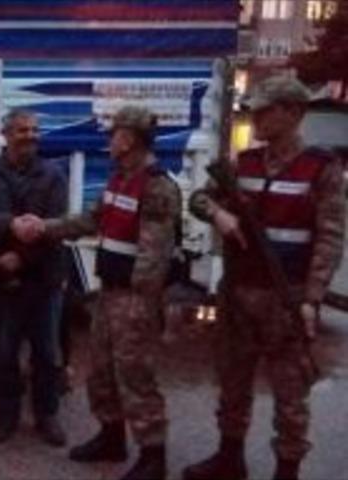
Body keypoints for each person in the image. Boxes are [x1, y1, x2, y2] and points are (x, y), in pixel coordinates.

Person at [182, 76, 345, 480]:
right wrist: (219, 213)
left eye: (265, 110)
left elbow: (330, 238)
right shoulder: (245, 163)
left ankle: (286, 469)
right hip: (238, 293)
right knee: (233, 382)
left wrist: (311, 299)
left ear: (293, 113)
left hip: (285, 296)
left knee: (291, 394)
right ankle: (229, 458)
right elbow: (199, 198)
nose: (255, 116)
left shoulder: (320, 168)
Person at [41, 105, 180, 480]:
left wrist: (141, 307)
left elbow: (154, 255)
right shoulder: (120, 179)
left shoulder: (156, 186)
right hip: (110, 294)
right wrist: (44, 227)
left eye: (114, 132)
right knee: (101, 370)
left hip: (134, 298)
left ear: (131, 138)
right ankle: (111, 436)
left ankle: (153, 455)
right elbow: (90, 221)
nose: (109, 138)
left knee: (135, 374)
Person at [0, 108, 68, 446]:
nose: (31, 136)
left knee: (47, 353)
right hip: (3, 280)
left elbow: (58, 224)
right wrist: (10, 224)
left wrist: (19, 257)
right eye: (23, 129)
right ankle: (4, 417)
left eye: (35, 130)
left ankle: (47, 415)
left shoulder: (53, 175)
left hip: (44, 278)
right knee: (4, 352)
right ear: (5, 134)